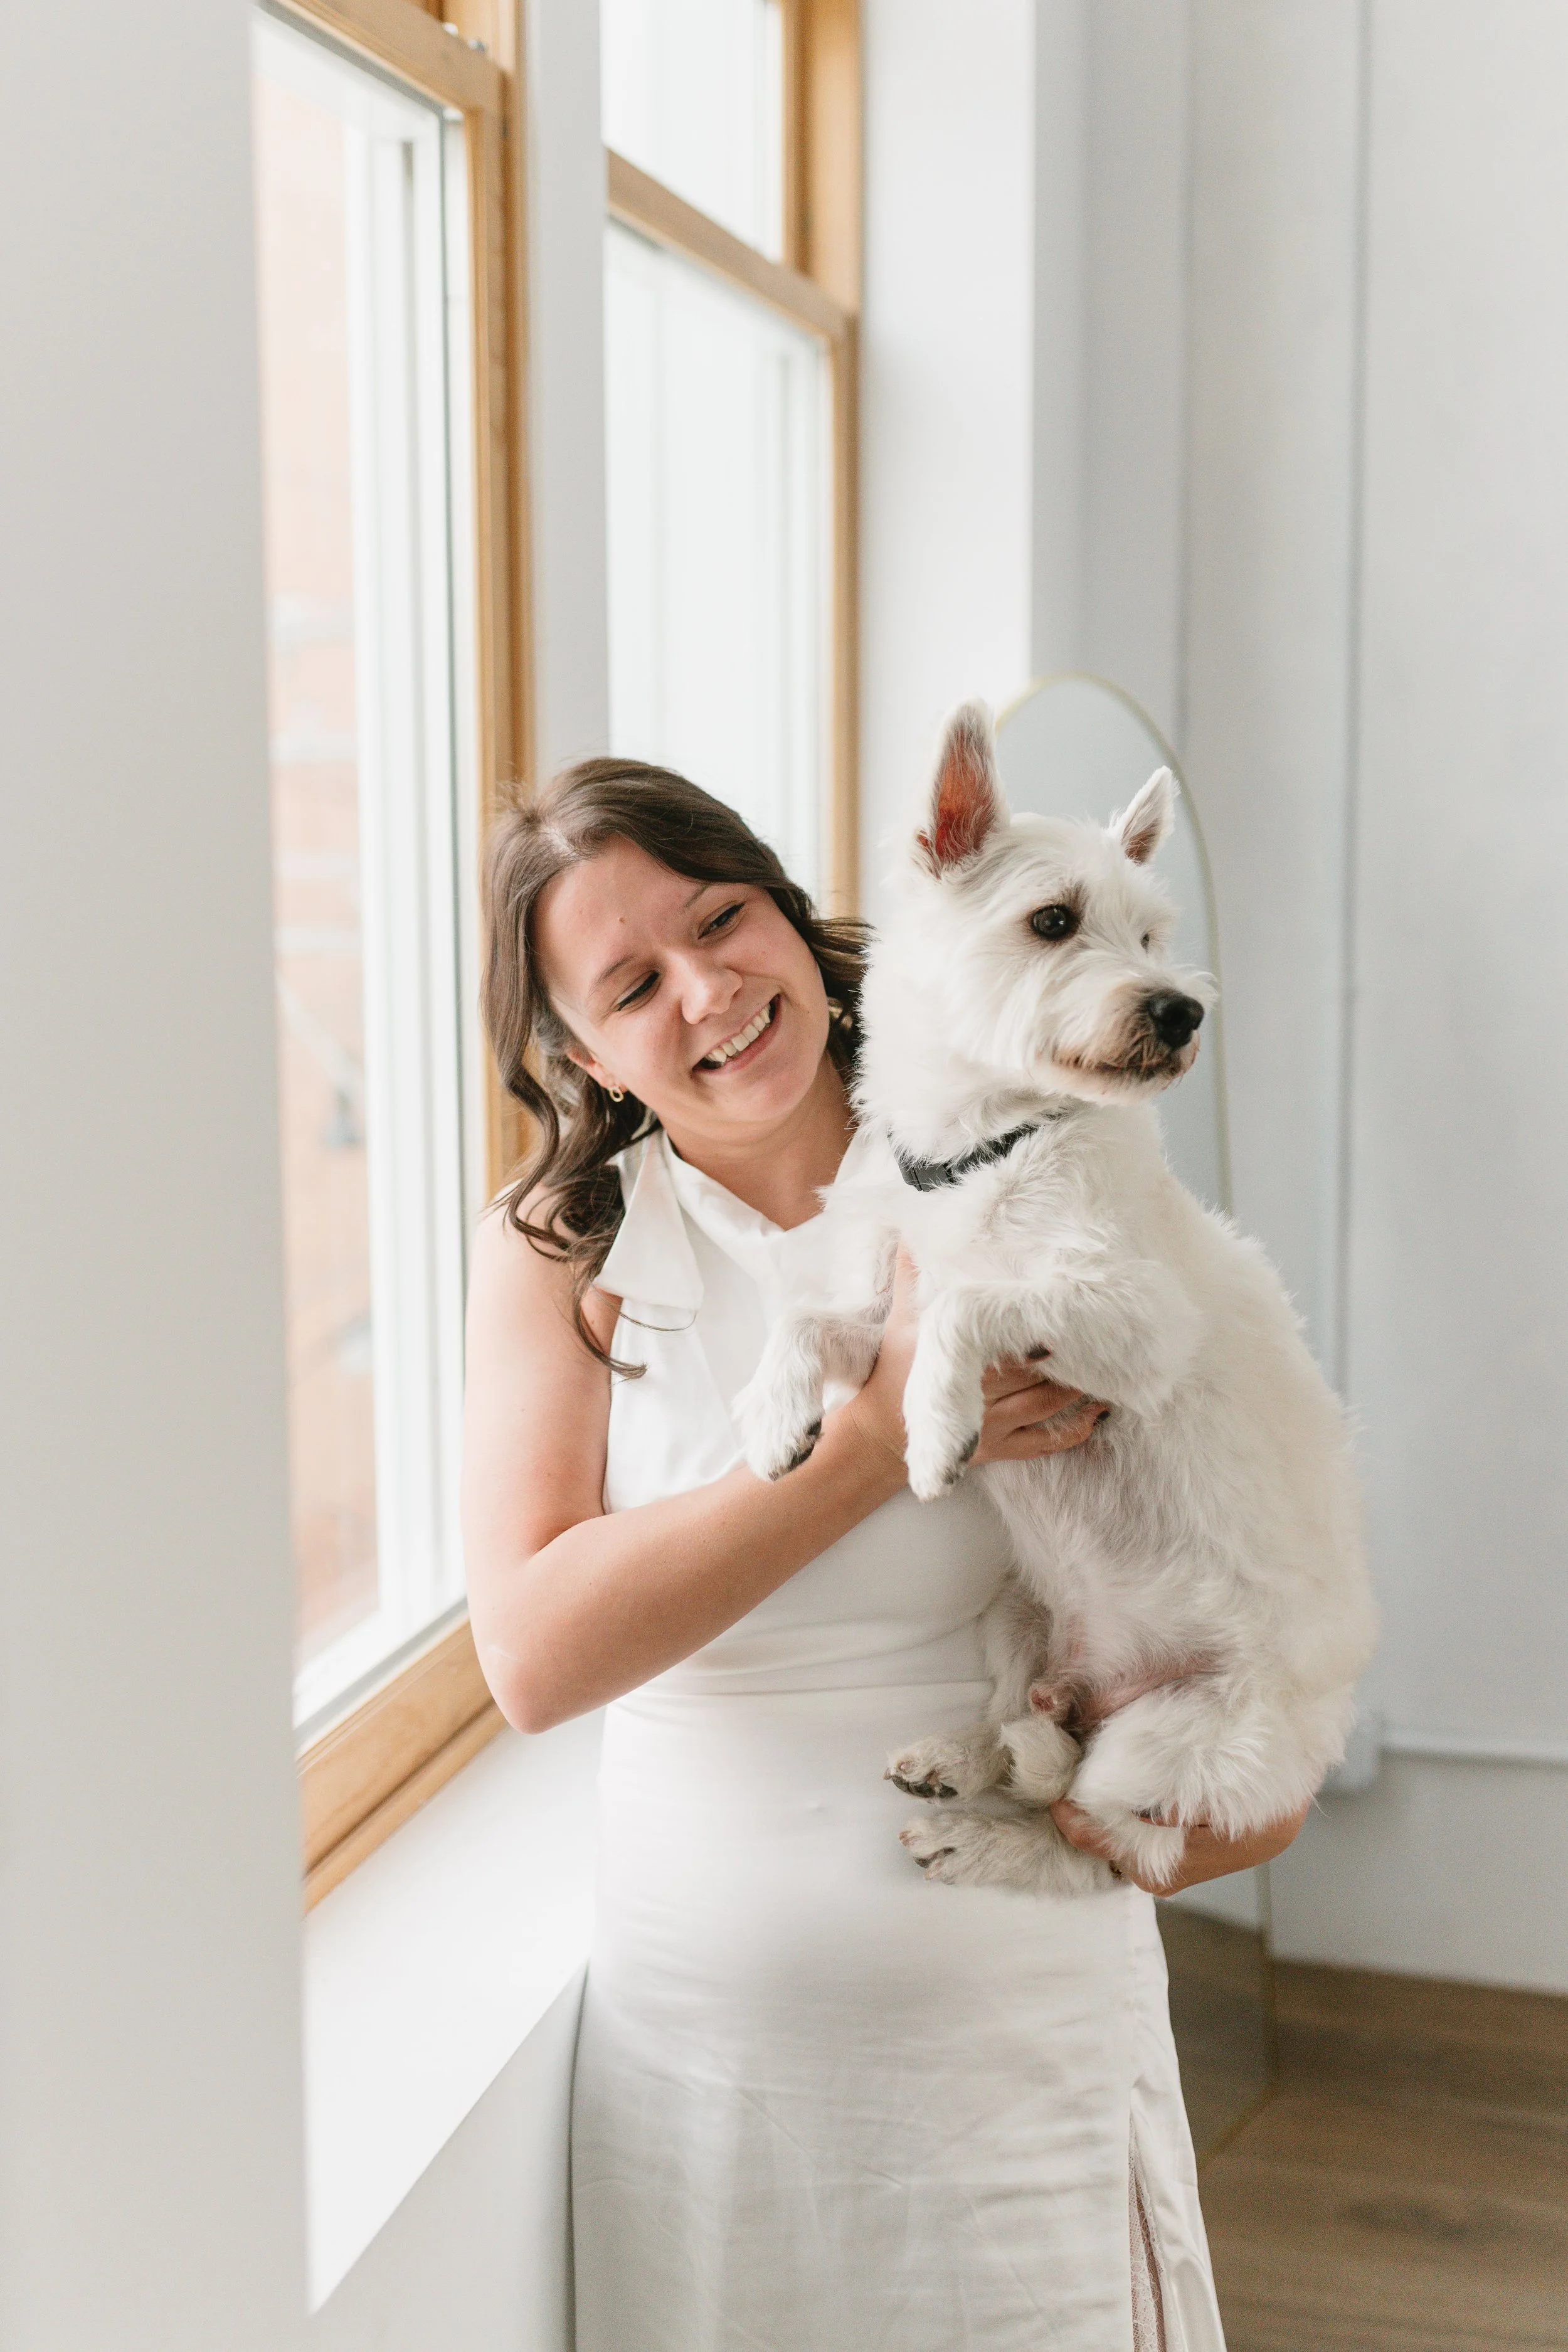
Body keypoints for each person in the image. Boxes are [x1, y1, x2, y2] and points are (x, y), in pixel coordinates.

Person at [462, 756, 1307, 2352]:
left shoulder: (1021, 1144)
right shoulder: (557, 1251)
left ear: (790, 907)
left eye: (723, 918)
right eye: (635, 981)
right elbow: (531, 1657)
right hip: (706, 2074)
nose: (708, 989)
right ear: (582, 1049)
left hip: (1017, 2051)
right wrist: (862, 1452)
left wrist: (1199, 1790)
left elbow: (1230, 1528)